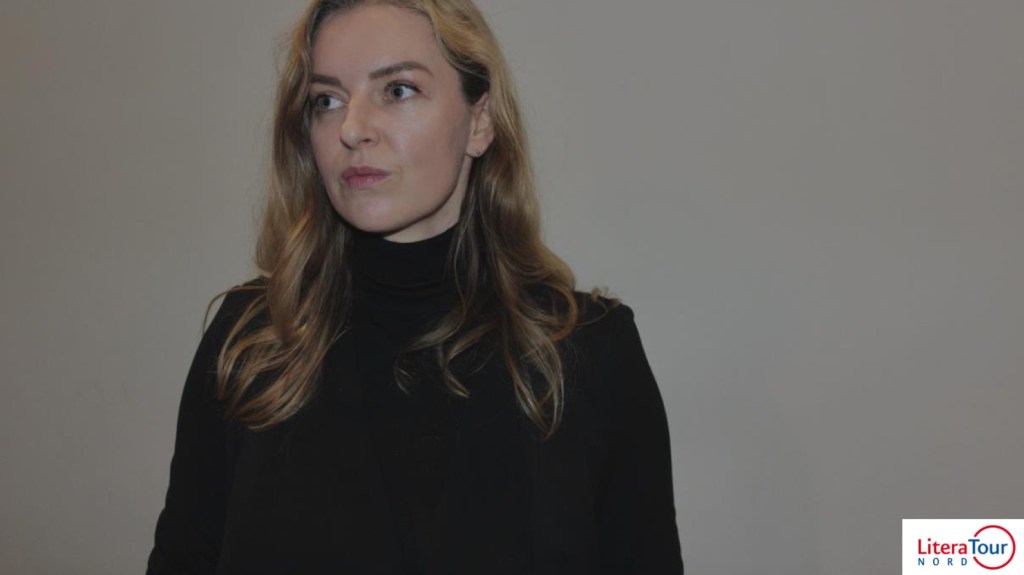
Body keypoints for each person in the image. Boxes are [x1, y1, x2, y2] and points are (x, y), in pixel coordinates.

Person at [147, 0, 684, 573]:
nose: (352, 128)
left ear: (479, 121)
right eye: (327, 100)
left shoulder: (590, 352)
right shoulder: (250, 342)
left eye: (398, 90)